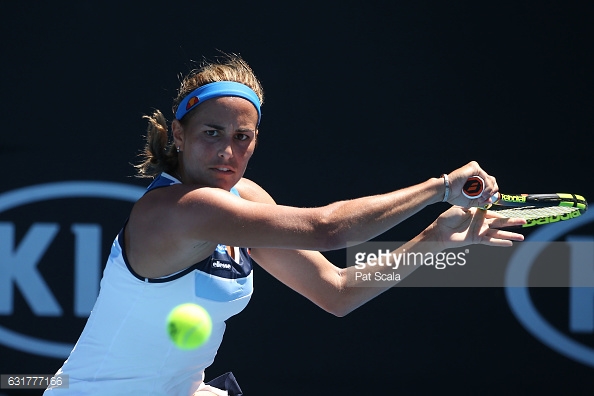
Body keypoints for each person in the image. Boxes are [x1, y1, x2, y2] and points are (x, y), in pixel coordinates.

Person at [45, 54, 525, 395]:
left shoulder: (245, 198)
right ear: (178, 134)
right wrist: (439, 187)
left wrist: (435, 236)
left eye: (242, 137)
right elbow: (328, 230)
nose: (227, 152)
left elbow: (337, 291)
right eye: (211, 133)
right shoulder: (178, 210)